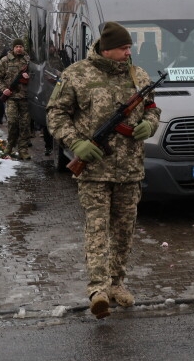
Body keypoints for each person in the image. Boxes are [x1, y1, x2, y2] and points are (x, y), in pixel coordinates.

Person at [46, 22, 161, 319]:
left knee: (124, 232)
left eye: (129, 48)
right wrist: (75, 144)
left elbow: (152, 107)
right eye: (123, 48)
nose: (128, 53)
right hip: (95, 170)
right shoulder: (77, 74)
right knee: (97, 230)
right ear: (106, 48)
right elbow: (55, 114)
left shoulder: (139, 76)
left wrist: (150, 123)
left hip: (130, 170)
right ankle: (97, 290)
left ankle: (117, 284)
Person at [0, 39, 32, 160]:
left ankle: (23, 149)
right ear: (13, 48)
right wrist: (3, 89)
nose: (19, 48)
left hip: (26, 98)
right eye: (16, 46)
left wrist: (30, 76)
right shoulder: (5, 61)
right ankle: (9, 147)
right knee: (12, 122)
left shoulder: (29, 61)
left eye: (21, 46)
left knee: (25, 124)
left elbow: (38, 76)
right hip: (11, 97)